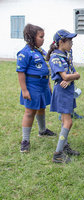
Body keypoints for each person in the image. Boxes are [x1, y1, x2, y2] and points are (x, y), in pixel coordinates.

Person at [16, 24, 56, 153]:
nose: (43, 39)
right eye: (41, 37)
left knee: (41, 107)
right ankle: (25, 141)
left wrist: (49, 84)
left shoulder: (40, 51)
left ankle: (42, 130)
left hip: (43, 85)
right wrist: (24, 90)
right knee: (30, 112)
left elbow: (46, 65)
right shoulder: (25, 52)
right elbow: (20, 72)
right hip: (32, 86)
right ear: (32, 37)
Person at [47, 29, 80, 163]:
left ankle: (64, 145)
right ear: (61, 42)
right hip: (62, 91)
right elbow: (67, 75)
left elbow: (70, 75)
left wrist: (72, 78)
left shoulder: (66, 55)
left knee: (65, 120)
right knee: (68, 121)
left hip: (68, 90)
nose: (72, 43)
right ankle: (58, 154)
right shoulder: (56, 57)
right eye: (70, 41)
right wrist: (76, 76)